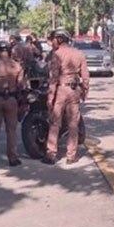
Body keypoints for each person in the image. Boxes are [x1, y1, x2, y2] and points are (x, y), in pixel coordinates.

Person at [43, 29, 89, 165]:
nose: (53, 42)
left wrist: (50, 98)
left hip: (61, 90)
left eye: (55, 39)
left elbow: (53, 79)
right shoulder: (79, 54)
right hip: (75, 90)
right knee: (73, 124)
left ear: (60, 40)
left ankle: (51, 154)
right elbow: (85, 76)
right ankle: (71, 156)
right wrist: (85, 91)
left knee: (55, 123)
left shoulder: (57, 55)